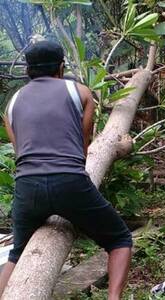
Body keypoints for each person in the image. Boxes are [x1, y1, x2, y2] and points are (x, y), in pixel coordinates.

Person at [0, 40, 132, 300]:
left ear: (28, 71)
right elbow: (83, 146)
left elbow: (20, 155)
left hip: (28, 188)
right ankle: (114, 298)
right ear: (61, 67)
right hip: (70, 182)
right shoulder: (80, 92)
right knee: (120, 240)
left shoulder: (11, 104)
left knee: (17, 253)